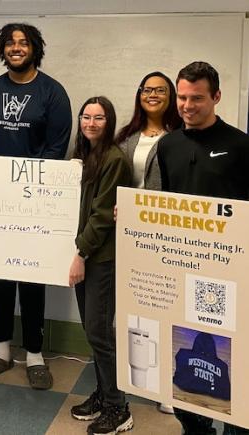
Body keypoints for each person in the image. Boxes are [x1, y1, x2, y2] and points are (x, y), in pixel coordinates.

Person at [0, 22, 72, 389]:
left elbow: (56, 151)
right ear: (3, 49)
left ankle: (35, 356)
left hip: (35, 207)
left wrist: (25, 191)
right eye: (10, 43)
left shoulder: (53, 93)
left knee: (31, 281)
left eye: (23, 43)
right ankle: (0, 351)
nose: (16, 48)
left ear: (34, 49)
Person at [158, 62, 249, 435]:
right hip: (182, 270)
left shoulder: (240, 146)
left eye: (197, 98)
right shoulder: (168, 145)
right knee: (186, 360)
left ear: (216, 97)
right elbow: (164, 204)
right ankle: (196, 428)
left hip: (231, 273)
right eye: (182, 97)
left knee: (234, 358)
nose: (187, 105)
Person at [117, 71, 182, 416]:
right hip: (128, 232)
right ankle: (135, 377)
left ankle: (167, 387)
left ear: (170, 96)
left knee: (165, 305)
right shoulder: (126, 136)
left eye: (160, 90)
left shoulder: (181, 135)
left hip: (164, 232)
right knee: (134, 305)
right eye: (147, 89)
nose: (152, 94)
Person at [68, 96, 133, 435]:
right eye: (86, 117)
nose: (91, 123)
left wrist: (81, 254)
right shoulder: (83, 156)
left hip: (101, 258)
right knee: (93, 331)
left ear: (109, 122)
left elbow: (104, 214)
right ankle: (104, 393)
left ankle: (118, 408)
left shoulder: (114, 159)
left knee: (99, 332)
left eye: (99, 118)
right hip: (84, 254)